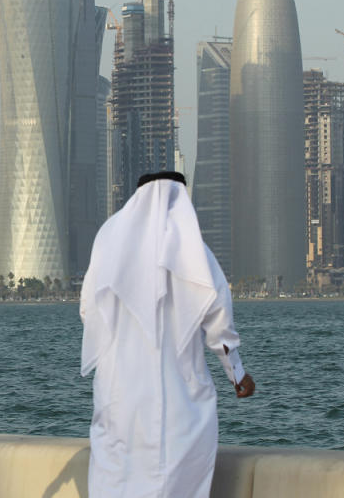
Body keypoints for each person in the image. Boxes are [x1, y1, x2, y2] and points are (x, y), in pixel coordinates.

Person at [80, 171, 255, 498]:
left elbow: (88, 311)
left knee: (116, 478)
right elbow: (220, 323)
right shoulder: (195, 253)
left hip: (119, 395)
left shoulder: (109, 245)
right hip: (179, 399)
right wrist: (238, 375)